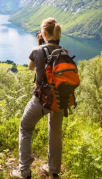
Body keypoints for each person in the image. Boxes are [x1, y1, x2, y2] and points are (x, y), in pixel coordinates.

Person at [11, 18, 64, 179]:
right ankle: (53, 170)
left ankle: (25, 171)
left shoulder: (37, 50)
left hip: (41, 99)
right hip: (60, 100)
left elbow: (31, 67)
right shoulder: (63, 51)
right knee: (55, 133)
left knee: (25, 128)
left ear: (44, 33)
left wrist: (40, 44)